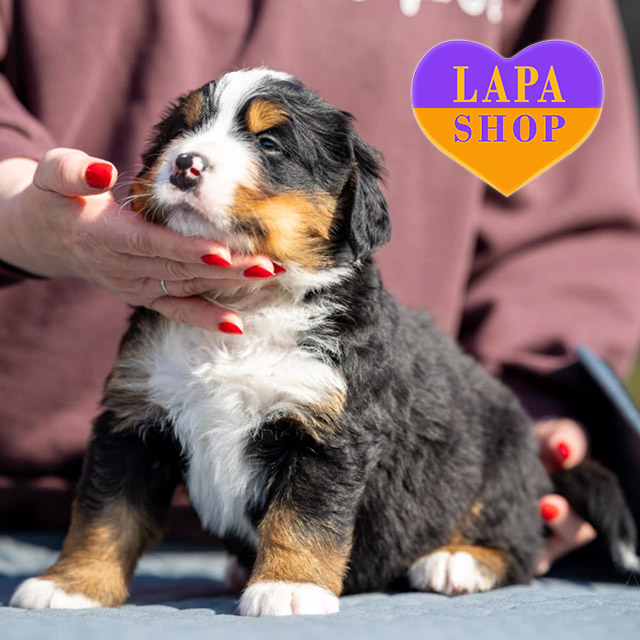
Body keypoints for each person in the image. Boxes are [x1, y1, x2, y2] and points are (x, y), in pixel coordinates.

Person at [1, 0, 639, 575]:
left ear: (348, 205)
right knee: (131, 445)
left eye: (270, 142)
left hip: (394, 525)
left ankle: (478, 550)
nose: (191, 156)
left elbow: (568, 224)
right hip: (21, 498)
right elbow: (127, 445)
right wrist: (18, 211)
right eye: (185, 130)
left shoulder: (344, 344)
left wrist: (539, 401)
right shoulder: (154, 334)